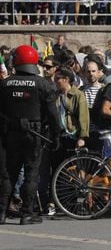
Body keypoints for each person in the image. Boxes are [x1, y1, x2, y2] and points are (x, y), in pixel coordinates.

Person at [0, 45, 61, 225]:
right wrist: (56, 136)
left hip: (10, 134)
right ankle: (27, 213)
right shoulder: (43, 84)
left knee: (9, 173)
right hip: (34, 134)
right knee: (31, 173)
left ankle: (2, 212)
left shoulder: (4, 84)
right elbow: (53, 115)